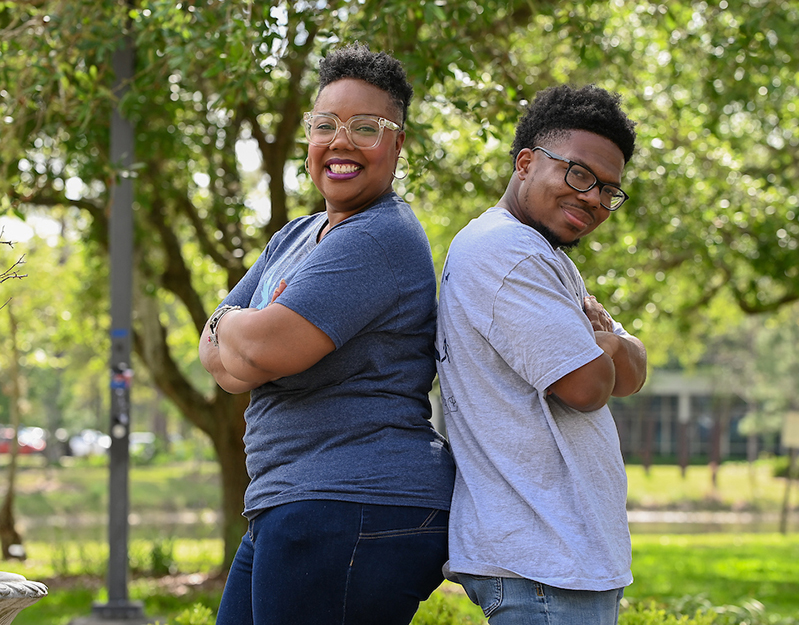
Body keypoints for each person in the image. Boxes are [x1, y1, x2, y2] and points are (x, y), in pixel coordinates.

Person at [199, 43, 455, 625]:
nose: (341, 142)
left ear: (397, 144)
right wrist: (243, 334)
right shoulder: (295, 236)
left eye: (366, 127)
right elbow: (216, 360)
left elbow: (264, 350)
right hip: (294, 500)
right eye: (326, 125)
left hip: (355, 503)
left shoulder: (378, 237)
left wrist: (239, 332)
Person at [435, 84, 648, 625]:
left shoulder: (544, 255)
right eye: (579, 174)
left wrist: (605, 345)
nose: (595, 198)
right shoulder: (507, 252)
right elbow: (588, 388)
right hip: (543, 564)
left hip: (563, 561)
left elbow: (634, 371)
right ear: (526, 163)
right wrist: (605, 342)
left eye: (608, 189)